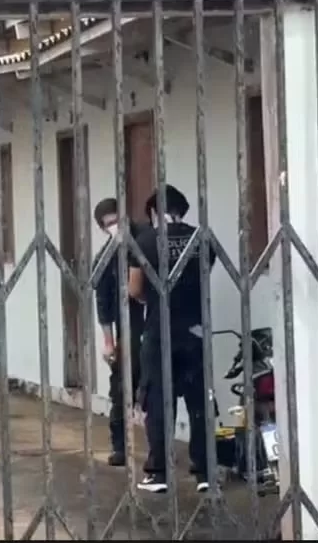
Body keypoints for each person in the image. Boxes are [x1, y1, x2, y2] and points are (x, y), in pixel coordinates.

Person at [128, 185, 216, 494]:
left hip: (159, 331)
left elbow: (135, 289)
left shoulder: (144, 241)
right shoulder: (201, 238)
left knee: (158, 402)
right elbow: (204, 276)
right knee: (199, 402)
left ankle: (159, 474)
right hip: (194, 330)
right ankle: (205, 473)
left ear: (154, 212)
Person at [92, 198, 146, 467]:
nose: (115, 227)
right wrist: (108, 342)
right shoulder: (106, 256)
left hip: (157, 323)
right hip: (128, 328)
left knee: (159, 388)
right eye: (109, 224)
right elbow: (102, 300)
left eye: (117, 220)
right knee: (121, 387)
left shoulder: (147, 238)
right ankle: (120, 447)